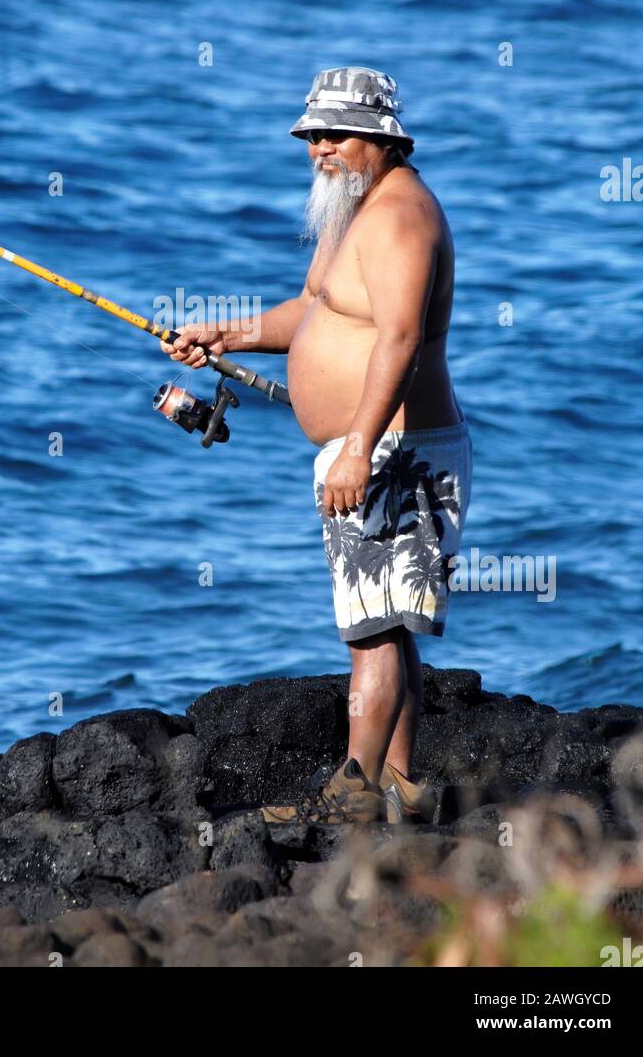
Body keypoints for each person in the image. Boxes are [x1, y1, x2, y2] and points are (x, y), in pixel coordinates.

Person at [161, 67, 472, 825]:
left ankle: (356, 789)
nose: (317, 150)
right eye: (310, 136)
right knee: (387, 622)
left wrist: (359, 447)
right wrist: (223, 334)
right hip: (367, 451)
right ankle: (398, 789)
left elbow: (399, 341)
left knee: (372, 631)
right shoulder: (350, 214)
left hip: (399, 453)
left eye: (333, 136)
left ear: (380, 138)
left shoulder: (402, 218)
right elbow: (311, 311)